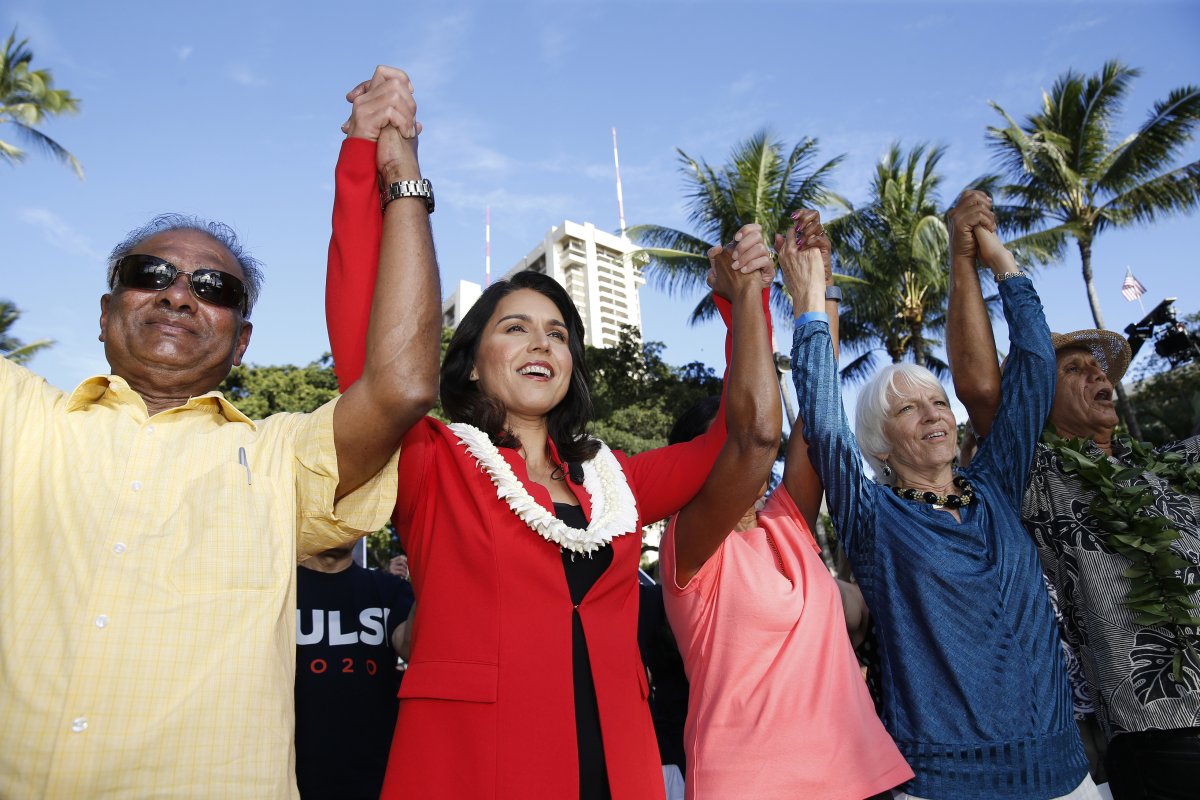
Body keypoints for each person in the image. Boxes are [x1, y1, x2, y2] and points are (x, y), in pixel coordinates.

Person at [0, 67, 439, 799]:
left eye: (214, 289)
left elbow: (402, 384)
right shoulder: (20, 417)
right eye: (152, 273)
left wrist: (401, 178)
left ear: (241, 343)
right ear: (105, 313)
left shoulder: (280, 458)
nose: (179, 292)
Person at [326, 111, 774, 796]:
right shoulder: (434, 459)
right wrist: (375, 164)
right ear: (473, 365)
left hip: (618, 771)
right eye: (515, 328)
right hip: (471, 772)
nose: (542, 344)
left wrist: (743, 305)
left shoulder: (615, 481)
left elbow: (743, 439)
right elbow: (366, 341)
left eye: (558, 334)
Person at [788, 198, 1096, 799]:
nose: (934, 416)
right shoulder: (873, 515)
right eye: (909, 408)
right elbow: (824, 424)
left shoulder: (996, 487)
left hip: (1064, 773)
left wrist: (993, 254)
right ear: (879, 442)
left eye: (937, 403)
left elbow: (1035, 366)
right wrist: (811, 300)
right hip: (945, 784)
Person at [947, 189, 1200, 800]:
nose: (1099, 375)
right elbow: (981, 390)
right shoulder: (1038, 474)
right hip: (1161, 734)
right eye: (1075, 369)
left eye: (1101, 368)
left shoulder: (1176, 465)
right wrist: (964, 259)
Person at [660, 211, 913, 800]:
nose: (745, 459)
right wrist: (747, 293)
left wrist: (817, 287)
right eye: (723, 450)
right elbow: (757, 435)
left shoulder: (784, 524)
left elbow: (818, 415)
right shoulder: (689, 545)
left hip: (860, 778)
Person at [294, 544, 415, 800]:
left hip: (373, 778)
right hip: (290, 778)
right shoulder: (278, 592)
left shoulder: (388, 589)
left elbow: (410, 647)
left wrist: (432, 572)